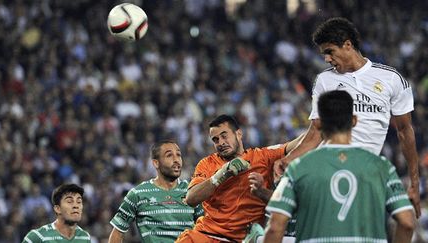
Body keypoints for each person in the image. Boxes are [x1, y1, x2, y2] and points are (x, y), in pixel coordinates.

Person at [277, 17, 420, 217]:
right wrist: (288, 159)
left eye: (329, 52)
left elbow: (405, 131)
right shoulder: (325, 80)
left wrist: (414, 183)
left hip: (366, 173)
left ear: (347, 45)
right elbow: (316, 130)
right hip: (328, 170)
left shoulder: (391, 79)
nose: (326, 59)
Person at [263, 90, 416, 242]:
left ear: (318, 123)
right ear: (354, 120)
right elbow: (407, 222)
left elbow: (275, 227)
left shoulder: (298, 168)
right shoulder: (381, 166)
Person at [175, 114, 300, 243]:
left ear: (239, 134)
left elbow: (302, 143)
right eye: (215, 140)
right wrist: (222, 174)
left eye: (224, 136)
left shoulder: (262, 157)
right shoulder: (207, 164)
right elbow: (191, 199)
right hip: (207, 235)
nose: (221, 143)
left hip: (244, 239)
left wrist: (318, 119)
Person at [108, 140, 203, 243]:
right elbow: (117, 232)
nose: (176, 160)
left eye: (178, 155)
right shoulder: (138, 194)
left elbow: (205, 230)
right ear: (156, 163)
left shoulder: (192, 191)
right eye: (169, 155)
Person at [22, 184, 91, 243]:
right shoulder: (38, 236)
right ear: (58, 209)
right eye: (69, 201)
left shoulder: (85, 237)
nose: (76, 206)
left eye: (79, 202)